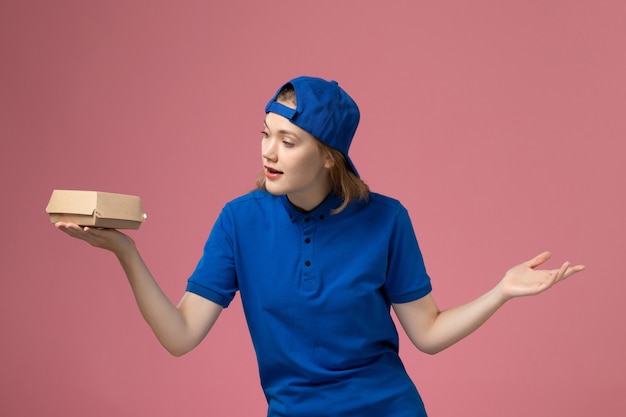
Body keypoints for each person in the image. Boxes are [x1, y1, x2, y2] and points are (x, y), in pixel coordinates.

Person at [55, 76, 585, 417]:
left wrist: (501, 292)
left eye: (288, 141)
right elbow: (180, 335)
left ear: (330, 155)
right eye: (265, 134)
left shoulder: (386, 219)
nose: (269, 152)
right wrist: (126, 253)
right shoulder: (240, 220)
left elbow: (427, 333)